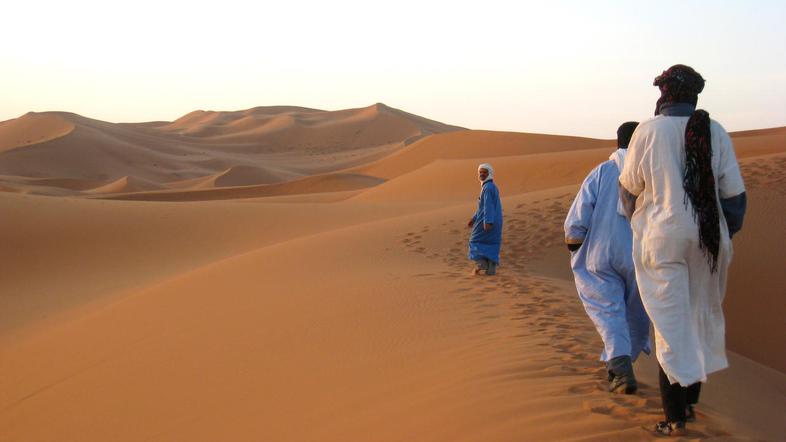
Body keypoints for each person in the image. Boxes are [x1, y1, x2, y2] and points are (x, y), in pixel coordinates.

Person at [619, 64, 747, 437]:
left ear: (665, 94)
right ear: (693, 95)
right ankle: (689, 404)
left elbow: (629, 191)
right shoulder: (716, 133)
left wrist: (641, 224)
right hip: (709, 244)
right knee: (699, 319)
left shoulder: (648, 131)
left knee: (670, 328)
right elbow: (735, 198)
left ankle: (674, 418)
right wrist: (722, 234)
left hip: (662, 240)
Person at [564, 122, 651, 394]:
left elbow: (578, 216)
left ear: (617, 143)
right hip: (640, 255)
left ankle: (619, 365)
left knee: (609, 311)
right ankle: (623, 363)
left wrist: (575, 242)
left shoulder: (602, 171)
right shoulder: (650, 173)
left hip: (600, 255)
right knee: (637, 314)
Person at [468, 163, 503, 275]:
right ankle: (491, 269)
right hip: (496, 221)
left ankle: (481, 263)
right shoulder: (492, 187)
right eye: (480, 172)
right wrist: (473, 219)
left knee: (474, 241)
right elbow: (483, 206)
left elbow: (488, 206)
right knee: (492, 243)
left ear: (490, 174)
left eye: (484, 172)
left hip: (487, 220)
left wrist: (487, 222)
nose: (482, 174)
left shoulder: (487, 188)